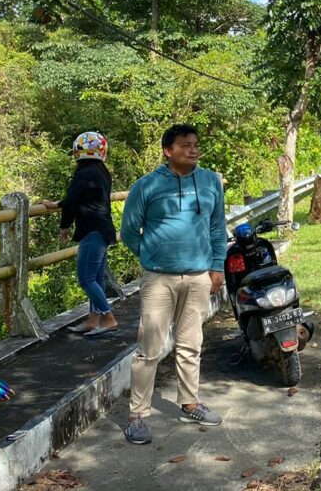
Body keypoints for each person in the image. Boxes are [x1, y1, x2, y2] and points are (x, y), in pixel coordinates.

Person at [119, 123, 228, 445]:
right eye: (186, 145)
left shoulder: (210, 182)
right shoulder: (147, 185)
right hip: (158, 279)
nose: (193, 150)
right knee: (149, 348)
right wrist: (152, 255)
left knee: (190, 344)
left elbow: (217, 227)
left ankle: (189, 403)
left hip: (197, 277)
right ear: (169, 150)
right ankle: (138, 415)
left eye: (196, 144)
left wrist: (217, 266)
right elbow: (128, 231)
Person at [44, 131, 118, 337]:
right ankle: (93, 320)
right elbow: (79, 198)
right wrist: (59, 205)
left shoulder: (84, 173)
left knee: (86, 279)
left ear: (77, 151)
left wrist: (63, 225)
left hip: (93, 230)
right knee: (96, 277)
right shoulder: (102, 171)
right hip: (104, 229)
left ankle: (108, 318)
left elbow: (71, 201)